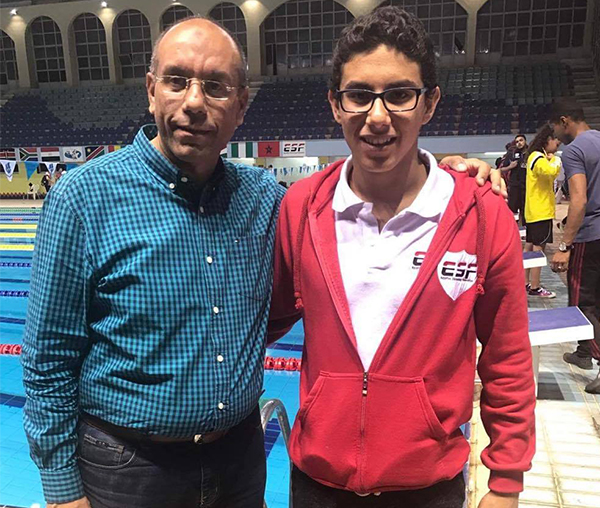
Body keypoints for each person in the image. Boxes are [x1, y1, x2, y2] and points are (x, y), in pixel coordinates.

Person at [21, 15, 501, 508]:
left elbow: (357, 190)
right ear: (151, 90)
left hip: (239, 461)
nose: (193, 102)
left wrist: (450, 176)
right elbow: (47, 359)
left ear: (241, 105)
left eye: (216, 87)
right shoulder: (84, 197)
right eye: (176, 81)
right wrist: (63, 492)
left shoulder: (264, 199)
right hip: (128, 468)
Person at [268, 7, 535, 508]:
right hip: (318, 485)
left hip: (428, 489)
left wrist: (506, 482)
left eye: (399, 94)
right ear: (335, 104)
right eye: (359, 95)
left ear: (429, 103)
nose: (377, 117)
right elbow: (265, 319)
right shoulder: (302, 207)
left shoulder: (480, 214)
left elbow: (508, 358)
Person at [549, 99, 600, 394]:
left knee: (583, 304)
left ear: (564, 121)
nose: (555, 134)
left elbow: (578, 200)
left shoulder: (574, 150)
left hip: (590, 235)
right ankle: (583, 352)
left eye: (555, 128)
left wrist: (564, 245)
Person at [524, 124, 561, 298]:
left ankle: (525, 282)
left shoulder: (535, 156)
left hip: (534, 210)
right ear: (548, 140)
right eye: (556, 142)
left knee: (530, 247)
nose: (557, 145)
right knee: (538, 250)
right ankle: (535, 287)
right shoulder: (538, 157)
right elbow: (550, 171)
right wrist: (556, 160)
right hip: (540, 211)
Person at [503, 134, 528, 224]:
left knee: (525, 210)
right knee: (512, 209)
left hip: (527, 186)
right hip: (514, 186)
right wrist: (510, 166)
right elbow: (501, 169)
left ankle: (524, 228)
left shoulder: (531, 153)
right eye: (517, 141)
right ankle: (512, 227)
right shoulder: (512, 153)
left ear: (525, 141)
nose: (519, 143)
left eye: (521, 140)